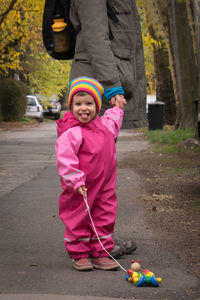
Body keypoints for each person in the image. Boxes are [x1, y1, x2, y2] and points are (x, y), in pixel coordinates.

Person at [69, 0, 143, 257]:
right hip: (96, 84)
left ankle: (99, 237)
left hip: (100, 79)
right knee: (91, 175)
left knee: (102, 175)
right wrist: (112, 84)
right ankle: (92, 242)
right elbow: (95, 33)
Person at [55, 77, 126, 271]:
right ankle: (79, 254)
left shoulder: (104, 126)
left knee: (104, 216)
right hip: (81, 187)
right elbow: (65, 159)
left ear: (97, 105)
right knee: (78, 217)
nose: (83, 108)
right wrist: (76, 181)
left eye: (89, 103)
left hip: (105, 185)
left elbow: (114, 119)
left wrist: (118, 106)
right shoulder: (71, 132)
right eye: (77, 104)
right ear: (71, 106)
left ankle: (101, 252)